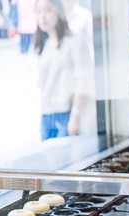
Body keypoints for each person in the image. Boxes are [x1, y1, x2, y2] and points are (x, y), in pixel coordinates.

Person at [34, 0, 94, 140]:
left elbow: (83, 81)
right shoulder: (43, 46)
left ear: (59, 11)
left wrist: (75, 115)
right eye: (39, 11)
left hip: (66, 113)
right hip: (47, 113)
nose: (43, 16)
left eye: (48, 10)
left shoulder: (74, 43)